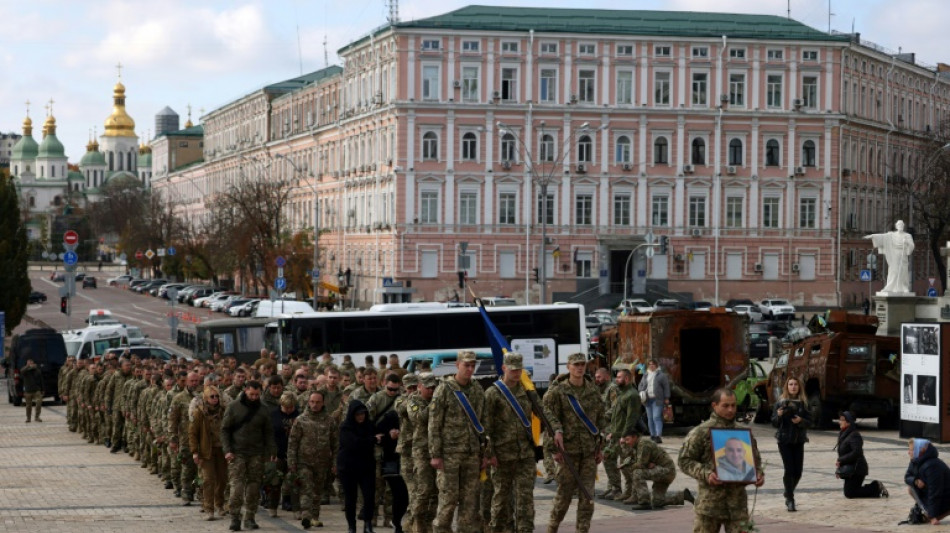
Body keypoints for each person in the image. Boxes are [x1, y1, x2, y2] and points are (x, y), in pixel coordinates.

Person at [678, 388, 764, 533]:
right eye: (725, 405)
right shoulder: (701, 432)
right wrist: (706, 474)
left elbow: (756, 461)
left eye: (733, 405)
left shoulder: (742, 433)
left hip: (737, 507)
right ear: (714, 405)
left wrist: (758, 474)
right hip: (709, 505)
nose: (730, 410)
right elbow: (684, 460)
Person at [484, 353, 548, 533]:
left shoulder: (527, 391)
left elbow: (544, 413)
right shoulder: (493, 393)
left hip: (525, 454)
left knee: (525, 499)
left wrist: (556, 430)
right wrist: (490, 454)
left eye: (519, 369)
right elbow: (485, 427)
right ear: (504, 368)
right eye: (513, 369)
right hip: (502, 455)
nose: (516, 373)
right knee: (501, 499)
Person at [543, 352, 607, 533]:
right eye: (576, 365)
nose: (579, 368)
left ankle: (582, 530)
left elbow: (600, 419)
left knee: (588, 496)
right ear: (568, 367)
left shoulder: (592, 390)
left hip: (588, 452)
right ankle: (552, 528)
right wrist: (553, 450)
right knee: (564, 496)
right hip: (567, 452)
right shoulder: (558, 391)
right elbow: (548, 421)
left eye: (582, 365)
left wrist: (600, 447)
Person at [428, 350, 486, 533]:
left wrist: (485, 453)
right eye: (466, 365)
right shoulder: (444, 389)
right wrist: (435, 455)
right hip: (449, 455)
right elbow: (434, 424)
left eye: (472, 365)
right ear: (457, 365)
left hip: (471, 453)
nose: (470, 369)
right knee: (448, 500)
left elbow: (484, 423)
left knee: (470, 500)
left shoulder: (477, 389)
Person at [222, 379, 277, 531]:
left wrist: (272, 451)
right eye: (251, 394)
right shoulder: (233, 407)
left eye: (257, 394)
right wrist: (227, 450)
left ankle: (250, 517)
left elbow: (268, 432)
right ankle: (235, 517)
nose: (254, 397)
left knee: (253, 488)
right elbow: (225, 430)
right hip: (236, 452)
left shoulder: (263, 409)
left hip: (256, 453)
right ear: (245, 391)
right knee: (237, 488)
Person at [289, 391, 339, 529]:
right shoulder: (301, 420)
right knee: (306, 488)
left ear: (323, 403)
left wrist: (335, 463)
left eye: (318, 402)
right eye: (312, 402)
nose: (315, 405)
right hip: (304, 462)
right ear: (308, 402)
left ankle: (315, 517)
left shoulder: (330, 421)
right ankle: (306, 515)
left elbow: (335, 444)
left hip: (322, 463)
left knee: (317, 491)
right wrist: (292, 462)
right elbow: (293, 443)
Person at [619, 428, 692, 510]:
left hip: (666, 471)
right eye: (625, 440)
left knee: (637, 472)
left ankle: (644, 502)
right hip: (663, 471)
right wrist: (623, 445)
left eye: (628, 440)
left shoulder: (643, 444)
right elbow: (629, 458)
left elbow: (640, 464)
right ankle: (682, 496)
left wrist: (632, 466)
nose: (626, 442)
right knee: (657, 502)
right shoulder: (636, 445)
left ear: (635, 437)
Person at [771, 377, 811, 511]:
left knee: (798, 472)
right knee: (789, 469)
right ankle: (790, 499)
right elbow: (774, 423)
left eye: (795, 384)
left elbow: (811, 422)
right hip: (784, 440)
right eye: (790, 384)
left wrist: (801, 420)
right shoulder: (780, 403)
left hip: (798, 440)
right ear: (786, 387)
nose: (793, 387)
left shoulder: (804, 403)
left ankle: (788, 491)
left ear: (799, 387)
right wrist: (779, 415)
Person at [338, 400, 378, 533]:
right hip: (348, 468)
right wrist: (372, 440)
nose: (361, 417)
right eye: (358, 414)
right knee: (350, 498)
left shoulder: (369, 426)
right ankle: (352, 526)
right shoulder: (346, 427)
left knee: (369, 497)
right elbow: (353, 443)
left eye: (363, 414)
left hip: (366, 467)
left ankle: (368, 524)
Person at [189, 384, 227, 520]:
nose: (215, 399)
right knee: (208, 480)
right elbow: (192, 433)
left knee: (222, 479)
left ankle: (220, 504)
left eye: (217, 396)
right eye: (212, 396)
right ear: (206, 398)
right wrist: (194, 451)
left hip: (222, 450)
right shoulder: (199, 412)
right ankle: (209, 508)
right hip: (207, 451)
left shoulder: (224, 411)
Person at [835, 411, 887, 499]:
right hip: (850, 468)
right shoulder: (844, 434)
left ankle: (876, 486)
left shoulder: (854, 435)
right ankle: (875, 489)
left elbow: (856, 452)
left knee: (850, 493)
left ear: (848, 422)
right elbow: (845, 453)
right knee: (849, 492)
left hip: (858, 469)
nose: (840, 422)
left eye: (842, 420)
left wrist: (841, 460)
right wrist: (840, 468)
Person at [376, 406, 409, 533]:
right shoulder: (391, 417)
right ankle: (396, 522)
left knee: (406, 495)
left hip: (410, 461)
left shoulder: (417, 415)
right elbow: (378, 437)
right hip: (392, 462)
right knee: (398, 494)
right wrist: (390, 436)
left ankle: (398, 521)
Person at [267, 392, 300, 518]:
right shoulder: (273, 415)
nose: (288, 410)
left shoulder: (298, 415)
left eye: (291, 408)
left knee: (295, 483)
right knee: (275, 483)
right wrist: (271, 451)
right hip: (277, 454)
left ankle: (297, 510)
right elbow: (269, 435)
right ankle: (272, 507)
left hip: (294, 454)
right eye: (286, 408)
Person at [905, 438, 950, 525]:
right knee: (911, 488)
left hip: (946, 496)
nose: (908, 452)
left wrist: (933, 517)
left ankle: (933, 514)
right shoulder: (915, 461)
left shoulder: (932, 466)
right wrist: (915, 481)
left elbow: (935, 492)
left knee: (931, 516)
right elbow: (907, 477)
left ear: (921, 450)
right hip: (930, 494)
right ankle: (930, 512)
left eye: (911, 449)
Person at [864, 219, 915, 294]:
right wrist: (872, 236)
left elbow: (912, 245)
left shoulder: (907, 236)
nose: (900, 226)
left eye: (901, 225)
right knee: (893, 270)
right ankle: (890, 286)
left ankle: (904, 287)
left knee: (902, 271)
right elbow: (883, 237)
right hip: (894, 254)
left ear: (903, 226)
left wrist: (907, 242)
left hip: (902, 254)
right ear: (896, 226)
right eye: (899, 225)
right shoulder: (892, 235)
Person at [638, 359, 670, 443]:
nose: (651, 366)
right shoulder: (645, 375)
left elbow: (666, 387)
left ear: (656, 365)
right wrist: (641, 391)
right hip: (647, 400)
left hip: (657, 399)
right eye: (650, 364)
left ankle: (658, 435)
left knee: (656, 417)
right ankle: (652, 434)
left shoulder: (661, 375)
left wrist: (667, 397)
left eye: (653, 364)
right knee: (650, 418)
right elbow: (640, 385)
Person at [21, 358, 44, 423]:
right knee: (28, 405)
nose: (30, 364)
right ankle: (28, 418)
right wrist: (27, 366)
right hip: (28, 391)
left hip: (36, 390)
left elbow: (41, 380)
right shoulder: (25, 371)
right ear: (27, 363)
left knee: (39, 403)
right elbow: (21, 371)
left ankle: (37, 417)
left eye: (31, 363)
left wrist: (43, 389)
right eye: (29, 363)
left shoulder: (37, 370)